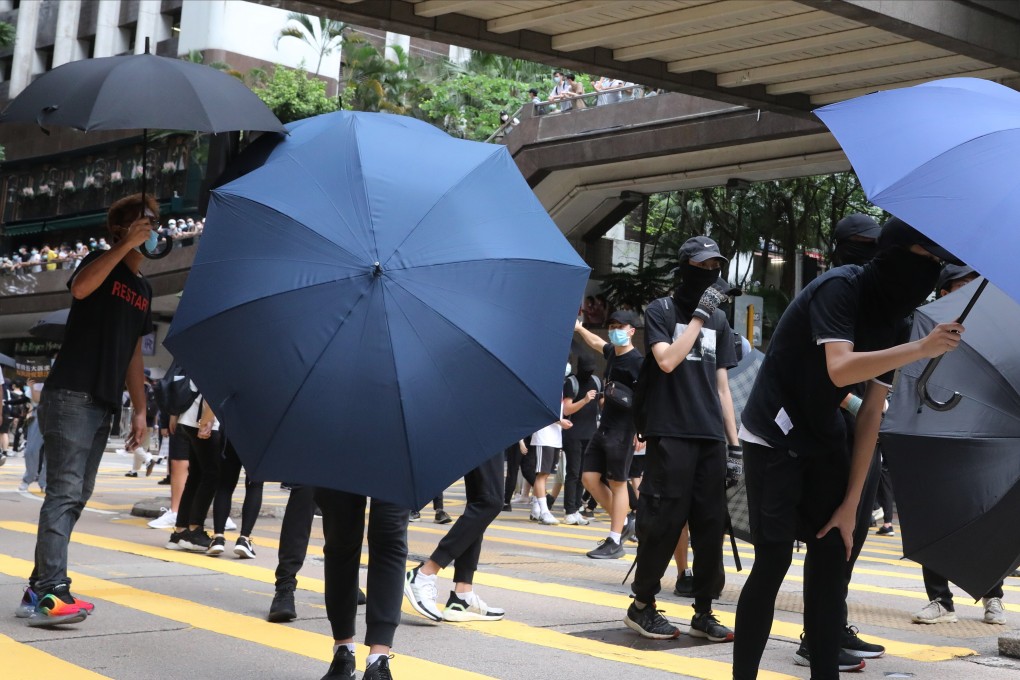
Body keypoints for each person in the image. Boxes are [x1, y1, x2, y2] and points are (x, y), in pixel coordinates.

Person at [732, 217, 965, 680]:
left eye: (939, 264)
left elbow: (872, 412)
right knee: (773, 560)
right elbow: (840, 369)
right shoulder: (839, 287)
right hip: (774, 434)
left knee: (831, 562)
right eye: (927, 258)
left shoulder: (898, 319)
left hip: (824, 434)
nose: (931, 270)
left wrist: (851, 503)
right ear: (895, 251)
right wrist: (921, 349)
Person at [18, 193, 155, 627]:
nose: (152, 231)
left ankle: (38, 585)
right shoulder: (100, 260)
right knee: (64, 491)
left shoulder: (144, 289)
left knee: (77, 495)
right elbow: (80, 288)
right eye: (144, 223)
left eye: (154, 223)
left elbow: (134, 351)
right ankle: (50, 592)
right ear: (122, 230)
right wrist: (119, 248)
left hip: (104, 399)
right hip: (72, 394)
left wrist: (140, 411)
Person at [624, 236, 739, 642]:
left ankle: (704, 609)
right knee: (663, 521)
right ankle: (642, 605)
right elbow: (667, 361)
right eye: (702, 266)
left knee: (710, 526)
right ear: (685, 266)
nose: (709, 274)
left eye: (715, 268)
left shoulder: (721, 323)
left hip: (710, 435)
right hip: (669, 431)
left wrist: (734, 443)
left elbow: (722, 386)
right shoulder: (661, 310)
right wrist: (699, 317)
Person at [794, 212, 889, 669]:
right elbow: (824, 371)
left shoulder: (883, 307)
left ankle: (834, 623)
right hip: (824, 437)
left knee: (854, 531)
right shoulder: (832, 294)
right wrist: (854, 401)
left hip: (862, 437)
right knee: (831, 537)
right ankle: (817, 635)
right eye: (861, 243)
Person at [910, 263, 1006, 627]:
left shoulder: (994, 335)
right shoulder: (923, 329)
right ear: (945, 292)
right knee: (932, 517)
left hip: (977, 436)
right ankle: (939, 599)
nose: (970, 294)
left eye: (974, 286)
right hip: (930, 433)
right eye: (962, 287)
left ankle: (992, 595)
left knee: (982, 516)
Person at [573, 309, 644, 559]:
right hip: (603, 428)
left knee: (618, 482)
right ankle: (623, 523)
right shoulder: (613, 352)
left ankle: (615, 540)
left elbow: (646, 400)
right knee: (589, 478)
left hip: (623, 430)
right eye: (612, 326)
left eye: (620, 327)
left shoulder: (638, 362)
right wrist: (580, 328)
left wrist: (640, 431)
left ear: (632, 331)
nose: (615, 331)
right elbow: (597, 342)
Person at [404, 451, 507, 623]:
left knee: (480, 501)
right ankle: (425, 572)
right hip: (487, 425)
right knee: (490, 501)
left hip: (488, 426)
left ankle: (463, 595)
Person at [317, 489, 408, 680]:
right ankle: (343, 650)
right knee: (340, 535)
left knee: (390, 534)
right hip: (337, 458)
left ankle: (379, 659)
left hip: (395, 461)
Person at [561, 355, 600, 525]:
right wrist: (584, 400)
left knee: (583, 475)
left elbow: (601, 403)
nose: (589, 371)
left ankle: (576, 509)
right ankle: (569, 510)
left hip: (591, 434)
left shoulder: (597, 381)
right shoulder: (571, 382)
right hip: (573, 433)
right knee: (573, 472)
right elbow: (567, 408)